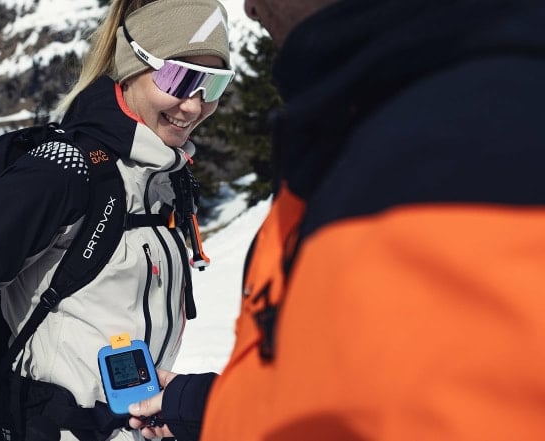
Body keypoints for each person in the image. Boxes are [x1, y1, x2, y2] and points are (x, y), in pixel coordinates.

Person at [127, 0, 545, 440]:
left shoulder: (470, 144)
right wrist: (205, 408)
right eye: (179, 78)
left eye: (211, 85)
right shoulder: (359, 127)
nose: (250, 9)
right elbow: (349, 392)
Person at [0, 0, 235, 440]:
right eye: (180, 78)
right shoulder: (66, 170)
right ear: (132, 64)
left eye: (213, 84)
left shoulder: (163, 179)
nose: (194, 106)